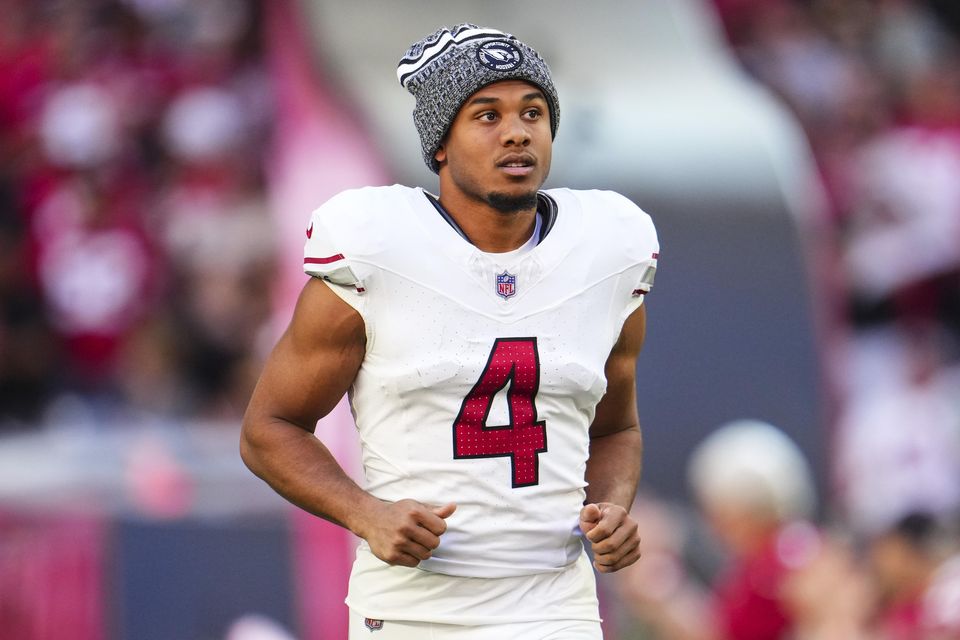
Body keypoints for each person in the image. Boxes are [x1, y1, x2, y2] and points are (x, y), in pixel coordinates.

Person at [240, 23, 659, 639]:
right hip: (416, 612)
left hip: (554, 607)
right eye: (486, 115)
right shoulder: (377, 250)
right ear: (440, 144)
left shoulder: (608, 252)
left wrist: (612, 507)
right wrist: (366, 513)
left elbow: (616, 427)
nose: (517, 131)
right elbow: (268, 428)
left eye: (534, 112)